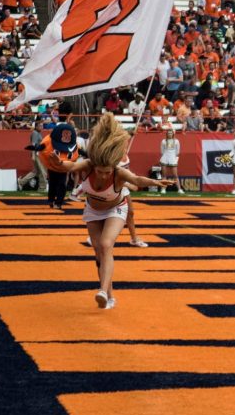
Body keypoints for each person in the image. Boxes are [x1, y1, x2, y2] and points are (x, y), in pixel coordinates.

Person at [63, 114, 173, 309]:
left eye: (108, 171)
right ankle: (108, 296)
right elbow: (69, 166)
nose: (104, 174)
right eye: (100, 171)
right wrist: (52, 158)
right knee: (99, 254)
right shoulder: (88, 165)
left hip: (116, 208)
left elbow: (138, 181)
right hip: (92, 210)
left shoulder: (119, 172)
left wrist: (156, 181)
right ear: (94, 164)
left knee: (106, 245)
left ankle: (103, 291)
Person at [33, 122, 79, 209]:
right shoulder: (51, 140)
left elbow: (77, 150)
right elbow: (45, 145)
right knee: (53, 183)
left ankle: (58, 202)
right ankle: (52, 200)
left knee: (62, 184)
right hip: (53, 165)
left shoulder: (72, 142)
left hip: (63, 166)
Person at [17, 120, 47, 192]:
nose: (41, 127)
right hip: (37, 154)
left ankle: (21, 182)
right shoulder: (35, 133)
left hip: (37, 154)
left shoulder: (37, 133)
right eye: (40, 126)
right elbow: (33, 144)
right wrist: (33, 155)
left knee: (36, 172)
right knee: (43, 171)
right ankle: (42, 188)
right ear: (36, 127)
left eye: (42, 126)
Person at [159, 128, 182, 194]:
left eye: (171, 133)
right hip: (165, 158)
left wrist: (174, 157)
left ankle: (179, 189)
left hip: (173, 158)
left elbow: (178, 151)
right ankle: (163, 189)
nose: (170, 134)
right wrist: (166, 156)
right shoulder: (163, 141)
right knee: (164, 175)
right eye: (168, 133)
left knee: (175, 175)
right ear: (166, 134)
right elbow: (162, 151)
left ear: (173, 134)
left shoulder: (177, 141)